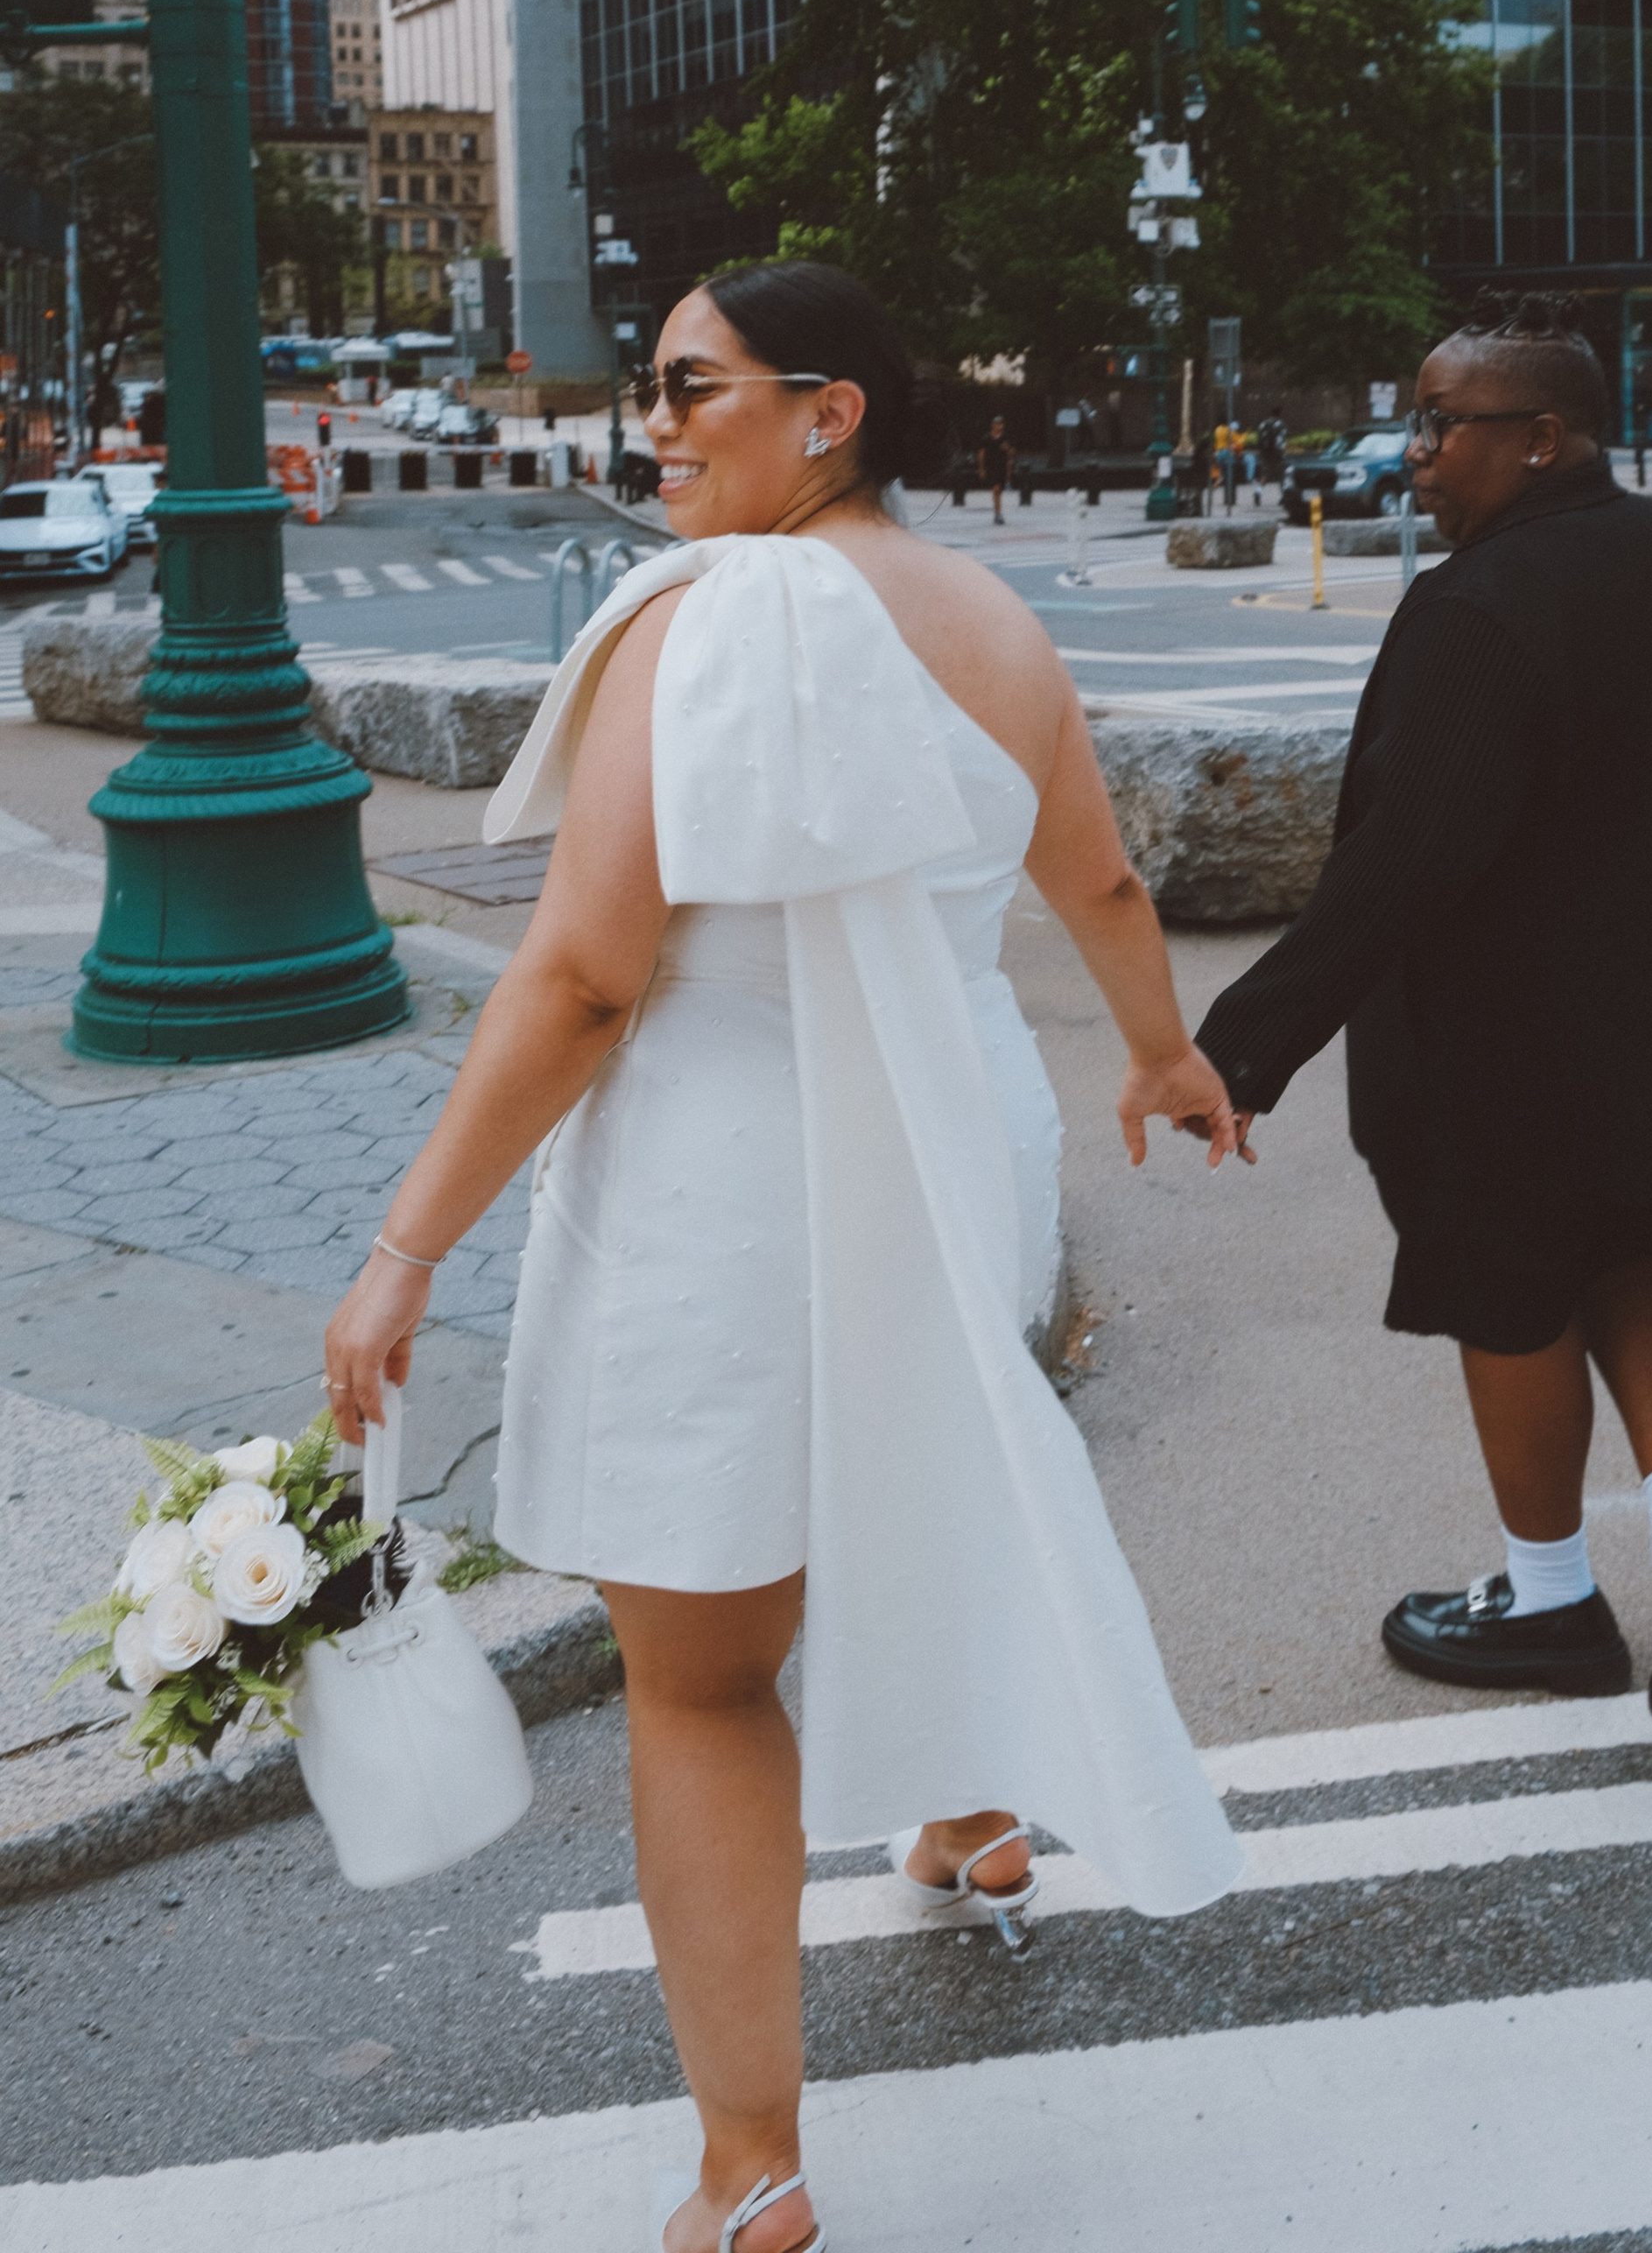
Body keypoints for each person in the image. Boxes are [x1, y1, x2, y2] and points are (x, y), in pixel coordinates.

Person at [323, 263, 1242, 2253]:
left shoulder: (705, 614)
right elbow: (1092, 869)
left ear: (827, 408)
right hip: (955, 1127)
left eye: (690, 388)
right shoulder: (993, 618)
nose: (651, 423)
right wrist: (1162, 1052)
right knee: (939, 1467)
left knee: (706, 1674)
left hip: (726, 1170)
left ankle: (753, 2163)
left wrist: (406, 1243)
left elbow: (576, 979)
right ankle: (972, 1811)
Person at [1193, 292, 1652, 1734]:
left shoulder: (1483, 603)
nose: (1411, 451)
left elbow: (1406, 856)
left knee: (1509, 1284)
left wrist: (1242, 1047)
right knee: (1644, 1240)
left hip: (1500, 1033)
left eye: (1439, 423)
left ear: (1541, 439)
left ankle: (1549, 1602)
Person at [978, 410, 1016, 524]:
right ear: (992, 425)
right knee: (996, 489)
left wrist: (1007, 449)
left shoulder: (1006, 438)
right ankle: (998, 514)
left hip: (1002, 467)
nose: (998, 426)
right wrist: (981, 468)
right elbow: (981, 454)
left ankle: (997, 512)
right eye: (996, 424)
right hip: (991, 466)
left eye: (1000, 424)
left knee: (999, 491)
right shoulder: (986, 438)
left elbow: (1012, 453)